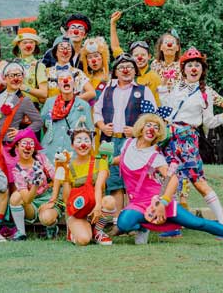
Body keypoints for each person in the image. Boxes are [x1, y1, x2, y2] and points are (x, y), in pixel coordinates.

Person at [114, 113, 223, 248]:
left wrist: (163, 203)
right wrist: (108, 159)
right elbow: (122, 159)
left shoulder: (155, 157)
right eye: (149, 125)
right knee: (124, 223)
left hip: (156, 199)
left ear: (158, 134)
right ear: (141, 127)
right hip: (137, 202)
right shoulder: (128, 144)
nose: (152, 129)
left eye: (156, 127)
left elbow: (173, 179)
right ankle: (144, 227)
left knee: (196, 223)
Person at [161, 47, 223, 226]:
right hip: (169, 137)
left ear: (202, 70)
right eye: (190, 65)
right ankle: (170, 225)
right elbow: (165, 109)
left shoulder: (206, 93)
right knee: (168, 180)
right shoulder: (174, 87)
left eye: (197, 65)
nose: (193, 68)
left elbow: (209, 122)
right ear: (184, 69)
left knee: (197, 180)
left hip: (187, 139)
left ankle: (222, 222)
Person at [93, 53, 156, 216]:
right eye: (121, 67)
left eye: (129, 67)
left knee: (133, 180)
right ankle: (116, 222)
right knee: (114, 181)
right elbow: (96, 111)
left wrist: (137, 131)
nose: (125, 70)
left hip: (134, 143)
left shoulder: (143, 90)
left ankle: (133, 219)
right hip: (110, 141)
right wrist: (102, 126)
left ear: (135, 70)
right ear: (115, 71)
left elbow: (152, 118)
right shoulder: (107, 90)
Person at [49, 117, 115, 246]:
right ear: (73, 145)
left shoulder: (100, 160)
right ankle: (73, 230)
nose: (83, 144)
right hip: (79, 211)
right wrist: (64, 171)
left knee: (110, 201)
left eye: (86, 140)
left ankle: (98, 231)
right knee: (84, 240)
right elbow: (67, 197)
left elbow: (99, 187)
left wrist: (97, 207)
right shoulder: (69, 165)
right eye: (78, 140)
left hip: (95, 205)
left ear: (91, 143)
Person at [0, 61, 43, 182]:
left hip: (9, 146)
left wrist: (21, 133)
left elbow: (38, 122)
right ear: (5, 78)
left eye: (18, 75)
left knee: (10, 179)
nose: (15, 79)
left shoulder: (24, 100)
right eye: (12, 75)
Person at [8, 129, 62, 240]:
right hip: (31, 203)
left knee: (46, 218)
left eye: (31, 144)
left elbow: (56, 177)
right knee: (15, 197)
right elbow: (27, 200)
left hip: (47, 196)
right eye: (24, 144)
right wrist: (35, 184)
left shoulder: (41, 158)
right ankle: (21, 233)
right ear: (17, 147)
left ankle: (51, 226)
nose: (28, 147)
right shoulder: (16, 170)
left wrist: (53, 200)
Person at [40, 69, 92, 162]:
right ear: (58, 85)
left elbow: (90, 130)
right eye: (61, 79)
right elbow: (42, 124)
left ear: (74, 83)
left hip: (73, 152)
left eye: (68, 78)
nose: (65, 81)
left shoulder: (83, 105)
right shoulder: (49, 102)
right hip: (51, 150)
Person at [110, 11, 161, 104]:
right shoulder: (127, 67)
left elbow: (157, 102)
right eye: (136, 55)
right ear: (131, 57)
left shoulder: (154, 77)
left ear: (149, 56)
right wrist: (113, 23)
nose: (140, 58)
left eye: (143, 55)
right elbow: (115, 47)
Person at [44, 36, 95, 102]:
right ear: (55, 52)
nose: (65, 52)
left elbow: (91, 93)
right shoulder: (46, 72)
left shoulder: (78, 73)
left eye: (68, 49)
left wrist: (72, 101)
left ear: (71, 53)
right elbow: (42, 97)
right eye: (61, 49)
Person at [11, 27, 48, 106]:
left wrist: (25, 88)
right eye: (24, 43)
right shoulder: (12, 65)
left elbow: (44, 93)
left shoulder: (39, 66)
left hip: (31, 108)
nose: (28, 46)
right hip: (13, 107)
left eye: (31, 42)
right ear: (18, 44)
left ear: (35, 45)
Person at [80, 37, 110, 107]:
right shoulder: (85, 80)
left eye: (96, 56)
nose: (93, 60)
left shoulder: (112, 78)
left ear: (103, 57)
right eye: (90, 57)